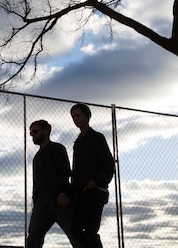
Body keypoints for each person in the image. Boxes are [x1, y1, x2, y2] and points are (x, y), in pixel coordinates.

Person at [26, 119, 77, 248]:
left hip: (58, 200)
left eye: (35, 131)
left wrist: (62, 194)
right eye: (31, 133)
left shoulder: (57, 149)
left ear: (46, 131)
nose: (33, 135)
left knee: (75, 234)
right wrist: (36, 202)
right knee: (33, 238)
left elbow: (64, 173)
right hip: (41, 203)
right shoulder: (37, 157)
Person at [69, 103, 115, 248]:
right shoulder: (77, 142)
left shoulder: (96, 138)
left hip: (94, 192)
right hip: (80, 193)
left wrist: (96, 181)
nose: (76, 119)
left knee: (90, 231)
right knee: (74, 229)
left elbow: (108, 163)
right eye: (73, 117)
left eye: (78, 116)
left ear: (87, 116)